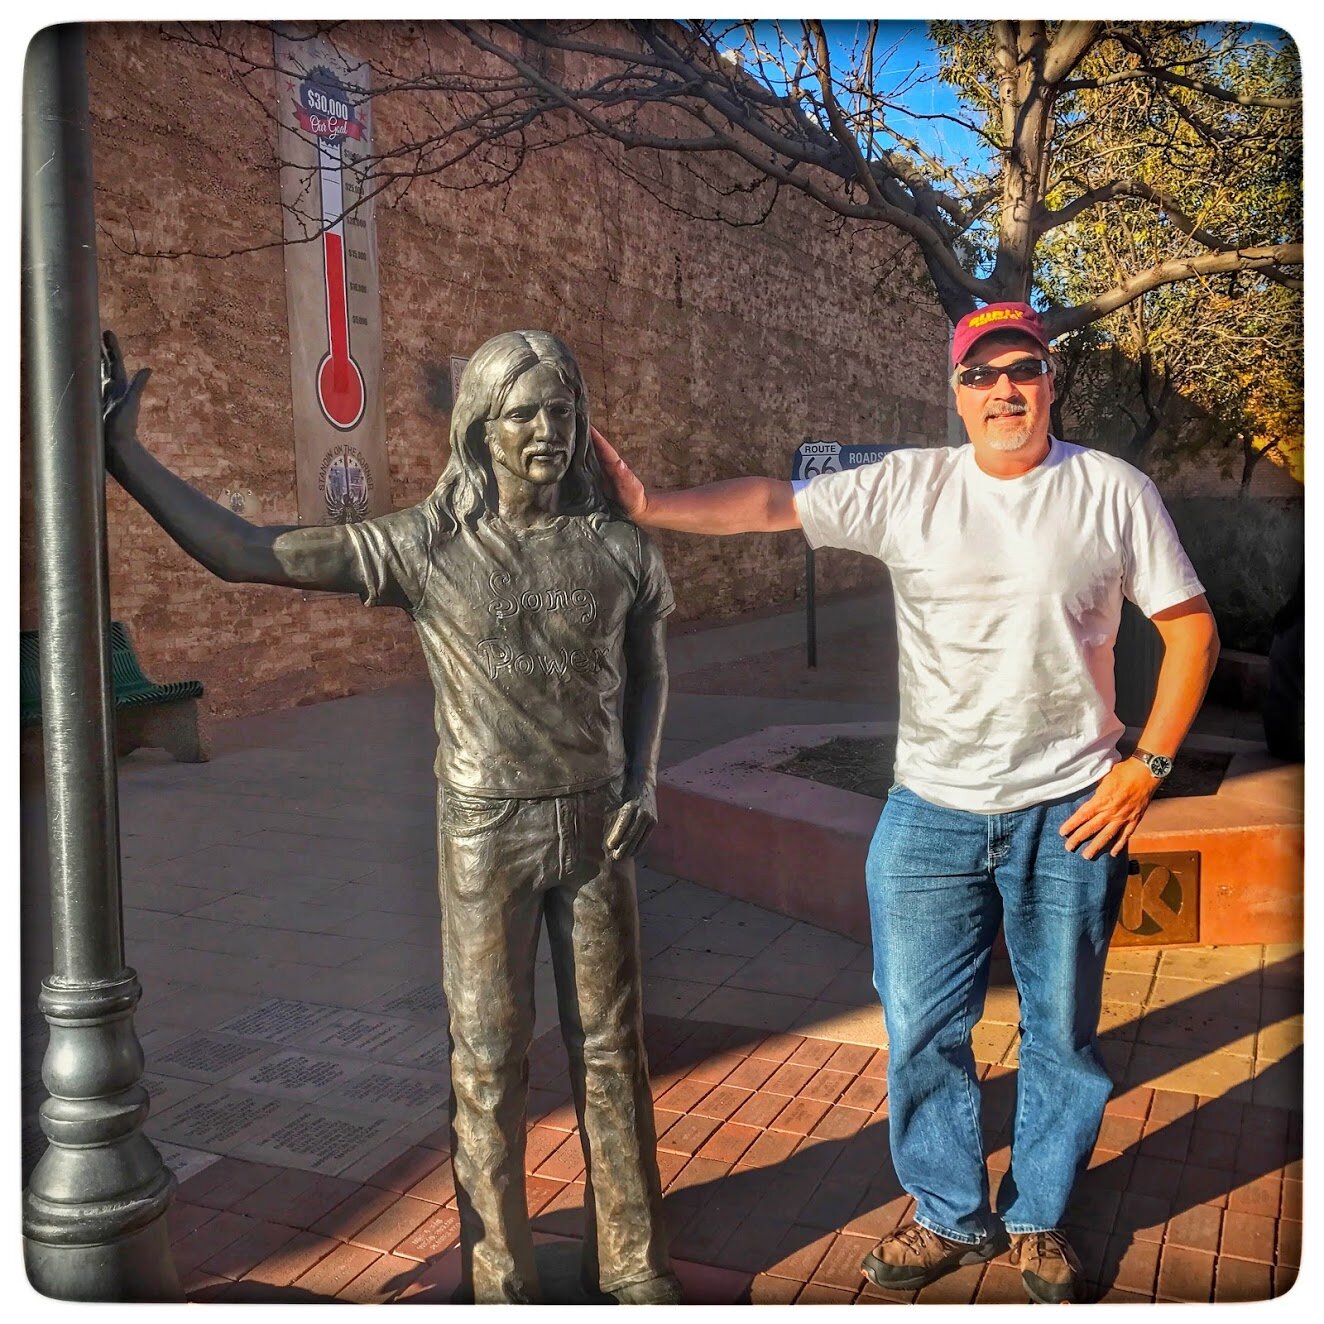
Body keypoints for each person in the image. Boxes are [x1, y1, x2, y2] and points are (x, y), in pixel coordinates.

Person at [591, 301, 1219, 1305]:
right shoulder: (909, 487)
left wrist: (1145, 764)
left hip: (1069, 810)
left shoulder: (1110, 491)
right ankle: (948, 1213)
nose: (1003, 389)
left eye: (1022, 369)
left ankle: (1038, 1217)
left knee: (1060, 1031)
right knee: (921, 1027)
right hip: (928, 813)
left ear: (1050, 380)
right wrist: (647, 504)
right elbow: (768, 502)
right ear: (955, 390)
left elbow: (1190, 629)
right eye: (981, 374)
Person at [101, 328, 681, 1306]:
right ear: (481, 428)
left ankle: (632, 1259)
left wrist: (642, 783)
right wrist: (123, 456)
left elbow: (649, 666)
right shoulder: (425, 546)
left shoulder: (618, 545)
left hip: (593, 825)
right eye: (526, 413)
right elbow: (246, 553)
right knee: (490, 1058)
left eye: (563, 411)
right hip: (485, 830)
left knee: (613, 1048)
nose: (548, 430)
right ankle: (500, 1275)